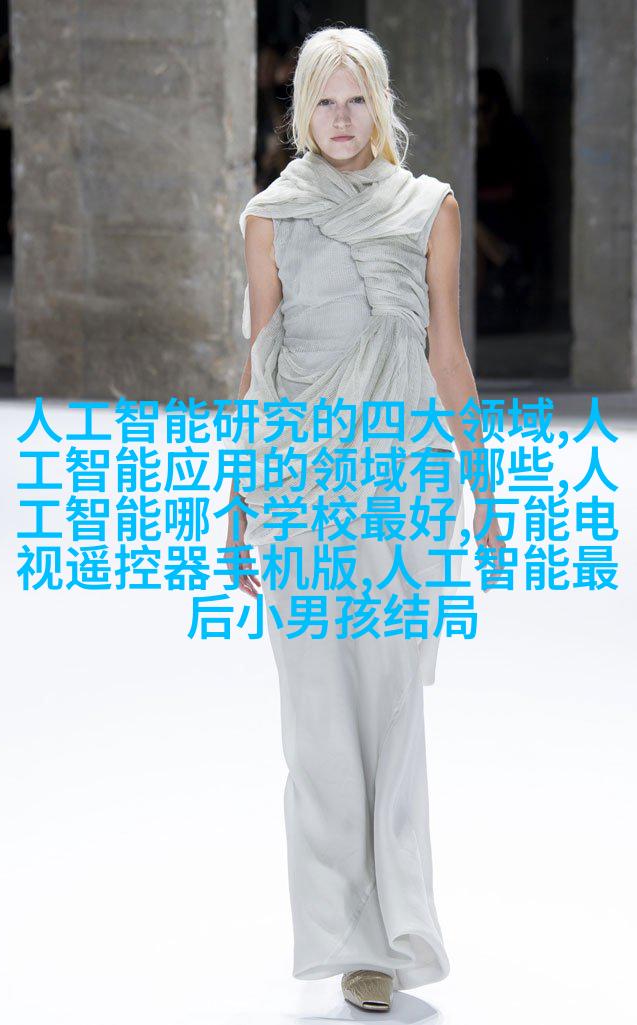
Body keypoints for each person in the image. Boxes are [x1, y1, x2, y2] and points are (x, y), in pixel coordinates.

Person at [222, 26, 504, 1014]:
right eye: (323, 100)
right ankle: (347, 936)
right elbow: (259, 364)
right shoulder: (269, 216)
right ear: (300, 109)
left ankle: (396, 931)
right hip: (300, 484)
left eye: (355, 100)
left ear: (378, 104)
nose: (340, 119)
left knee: (392, 709)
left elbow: (447, 353)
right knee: (316, 718)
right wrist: (237, 503)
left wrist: (484, 480)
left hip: (402, 479)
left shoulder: (428, 207)